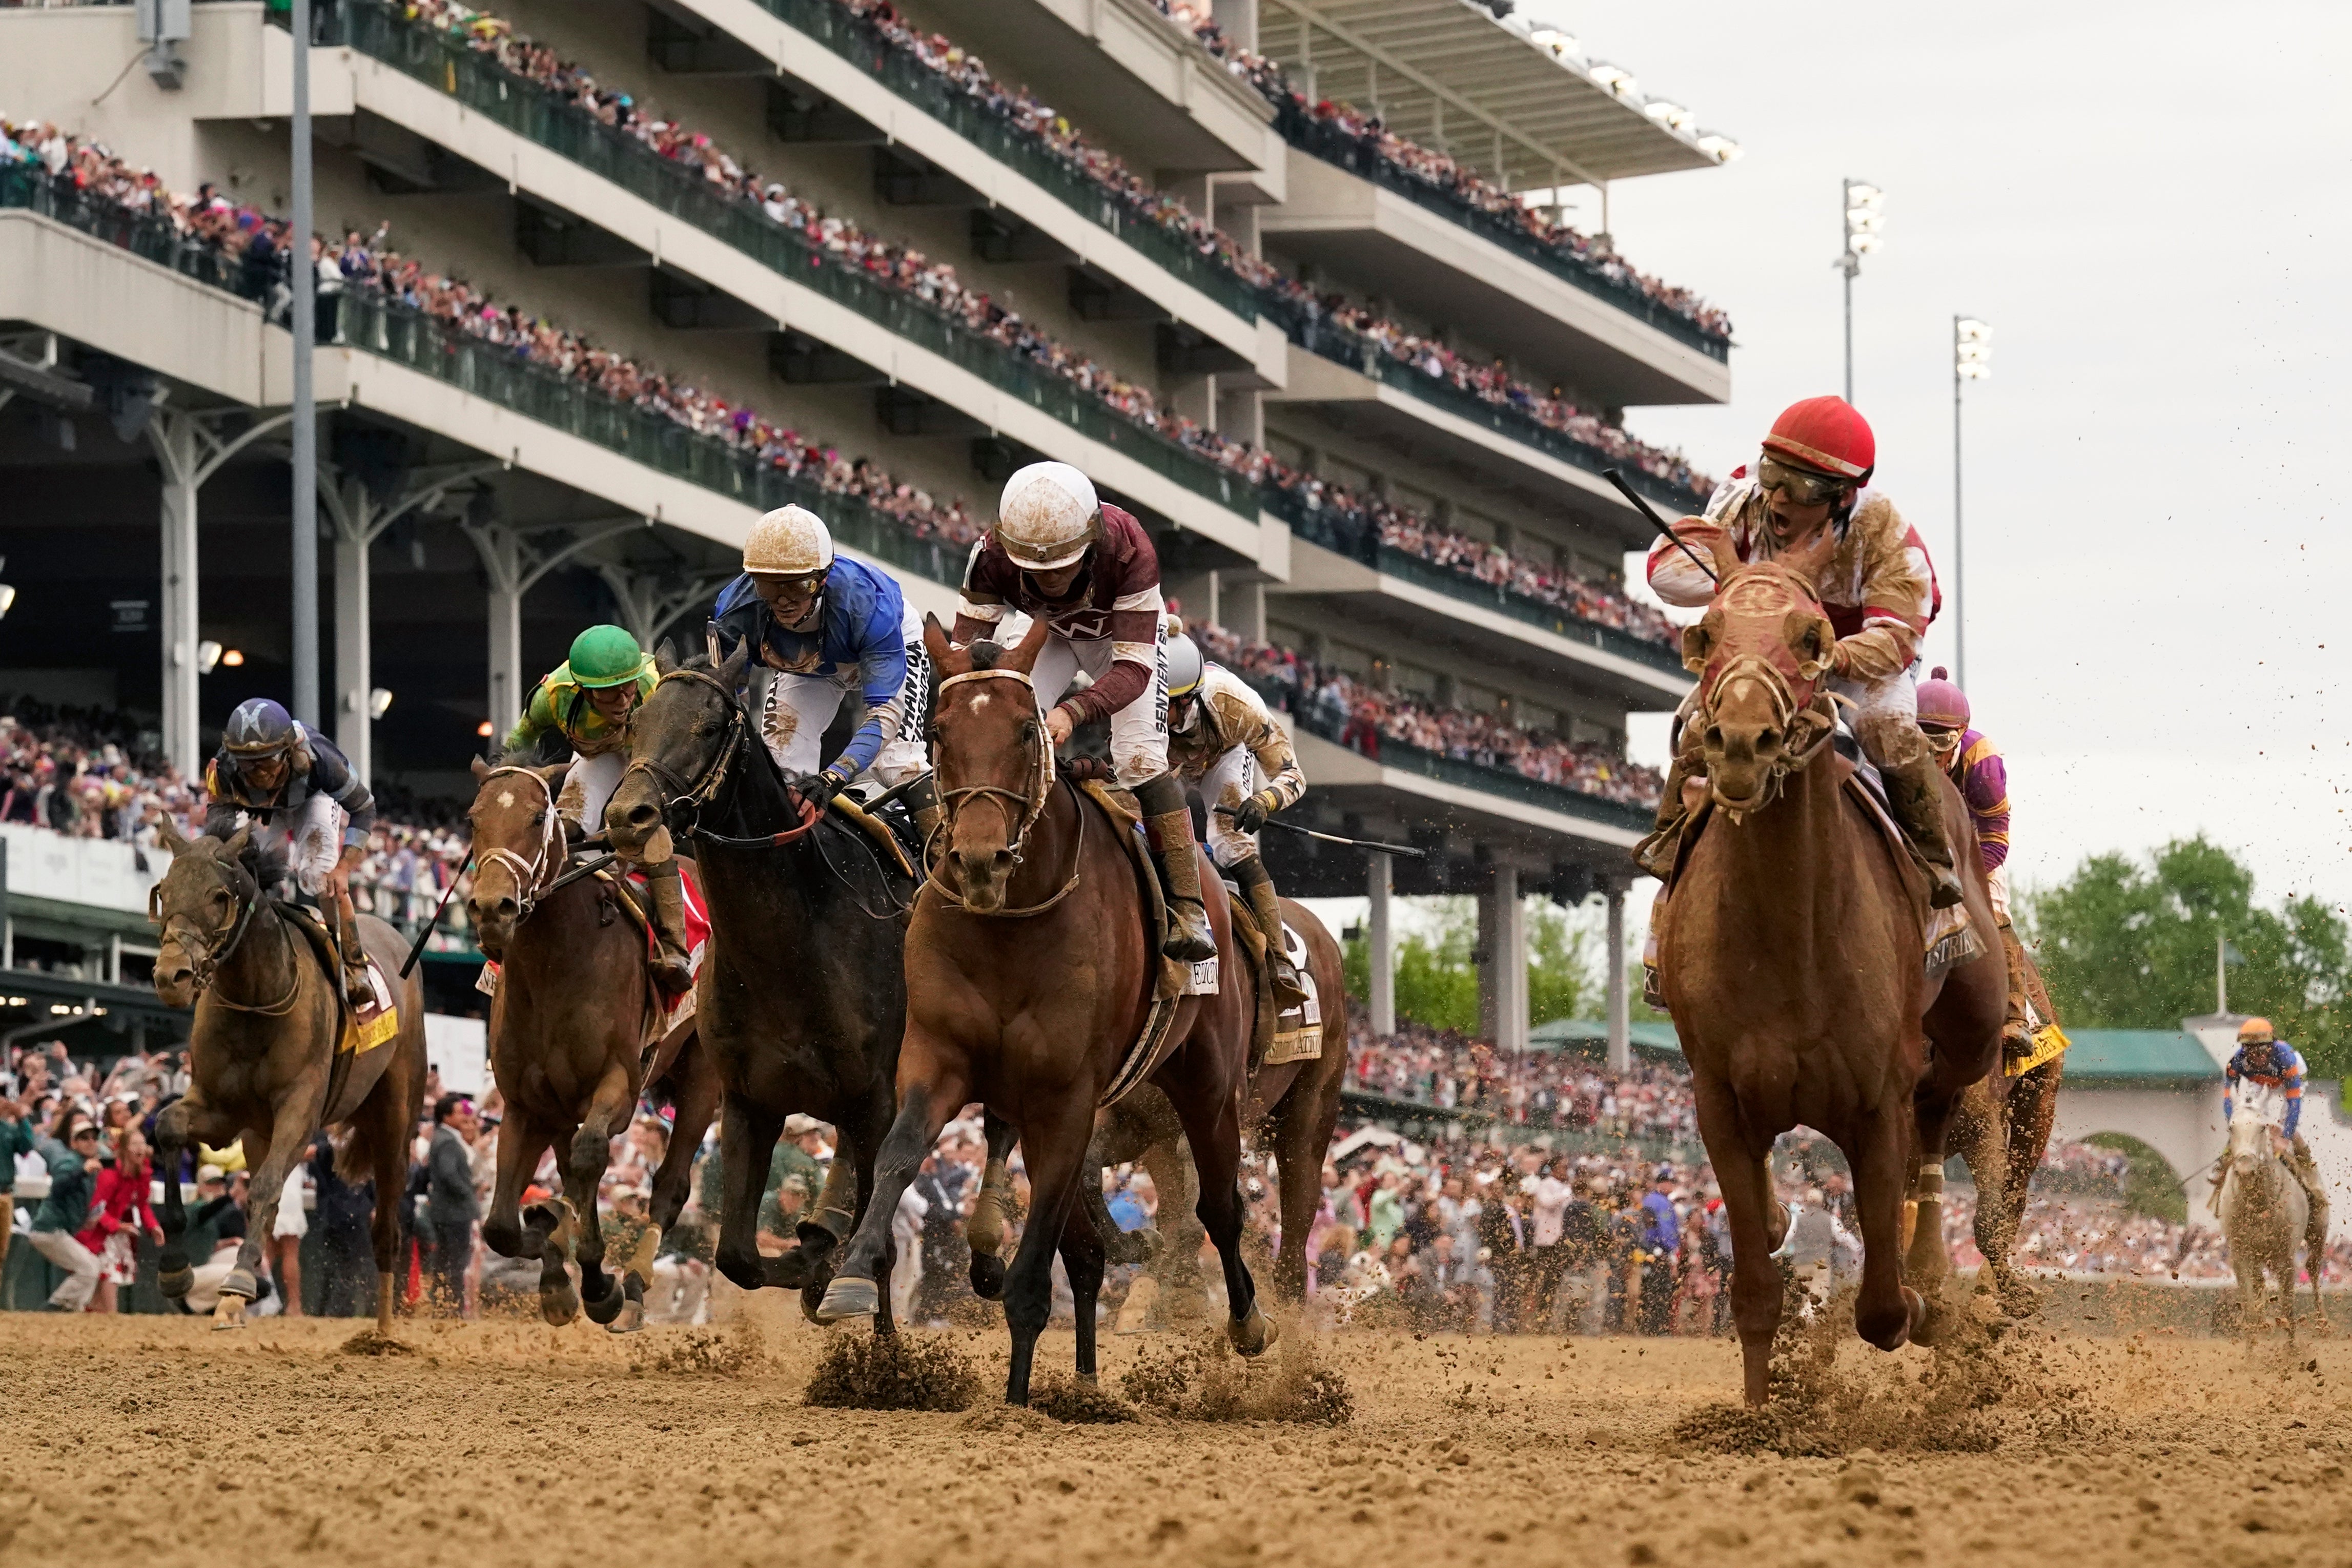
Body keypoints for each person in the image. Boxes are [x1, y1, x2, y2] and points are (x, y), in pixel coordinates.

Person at [1640, 396, 1961, 910]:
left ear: (1841, 496)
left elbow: (1896, 640)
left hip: (1858, 660)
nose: (1779, 499)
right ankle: (1670, 837)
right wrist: (1728, 576)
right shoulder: (1743, 496)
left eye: (1803, 487)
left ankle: (1933, 858)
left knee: (1888, 730)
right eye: (1772, 474)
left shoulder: (1889, 537)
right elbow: (1667, 579)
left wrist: (1824, 659)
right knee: (1707, 723)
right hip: (1765, 658)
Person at [950, 462, 1215, 960]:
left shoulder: (1130, 547)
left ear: (1091, 543)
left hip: (1118, 639)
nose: (1049, 580)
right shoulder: (986, 555)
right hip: (1043, 633)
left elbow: (1134, 673)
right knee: (998, 725)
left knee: (1139, 757)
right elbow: (964, 649)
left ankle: (1188, 907)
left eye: (1061, 567)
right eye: (1036, 568)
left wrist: (1072, 712)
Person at [708, 504, 937, 839]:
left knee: (897, 763)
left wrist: (833, 778)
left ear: (822, 578)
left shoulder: (868, 605)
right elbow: (727, 703)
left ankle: (943, 852)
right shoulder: (734, 612)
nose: (784, 601)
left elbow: (884, 717)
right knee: (781, 764)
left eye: (799, 586)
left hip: (886, 644)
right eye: (770, 588)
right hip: (810, 667)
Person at [504, 624, 690, 992]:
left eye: (627, 688)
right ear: (584, 690)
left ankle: (674, 948)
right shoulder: (552, 697)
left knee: (648, 831)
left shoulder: (657, 685)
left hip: (654, 759)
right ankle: (515, 922)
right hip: (600, 755)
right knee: (565, 826)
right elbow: (518, 741)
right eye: (609, 694)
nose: (623, 701)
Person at [1159, 625, 1310, 1004]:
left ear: (1190, 698)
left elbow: (1293, 776)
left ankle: (1279, 960)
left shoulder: (1236, 704)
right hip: (1163, 756)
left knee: (1227, 840)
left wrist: (1264, 801)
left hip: (1223, 754)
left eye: (1167, 705)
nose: (1157, 712)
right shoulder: (1144, 703)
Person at [201, 696, 377, 1000]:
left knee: (317, 876)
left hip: (313, 797)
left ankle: (354, 965)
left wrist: (344, 869)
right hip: (262, 808)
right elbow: (218, 819)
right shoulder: (225, 767)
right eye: (248, 763)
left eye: (266, 761)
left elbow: (364, 808)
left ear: (288, 751)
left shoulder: (322, 759)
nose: (257, 773)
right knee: (239, 870)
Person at [1914, 666, 2033, 1061]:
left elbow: (1996, 828)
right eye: (1920, 737)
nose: (1930, 752)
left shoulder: (1982, 764)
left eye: (1941, 741)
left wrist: (1968, 878)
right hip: (1914, 843)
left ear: (1961, 735)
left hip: (1975, 849)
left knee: (1995, 911)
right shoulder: (1888, 750)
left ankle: (2015, 1015)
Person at [2215, 1018, 2329, 1252]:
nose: (2256, 1055)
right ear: (2244, 1049)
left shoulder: (2287, 1059)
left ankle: (2312, 1183)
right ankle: (2222, 1167)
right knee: (2250, 1122)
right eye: (2250, 1050)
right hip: (2260, 1083)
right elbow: (2229, 1102)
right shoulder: (2235, 1063)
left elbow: (2293, 1105)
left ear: (2271, 1046)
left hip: (2291, 1079)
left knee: (2284, 1127)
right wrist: (2235, 1129)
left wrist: (2285, 1136)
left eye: (2262, 1049)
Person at [78, 1126, 161, 1313]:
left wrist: (153, 1226)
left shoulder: (142, 1175)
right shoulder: (109, 1176)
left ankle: (95, 1314)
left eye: (142, 1144)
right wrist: (117, 1226)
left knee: (108, 1280)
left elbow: (143, 1204)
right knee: (110, 1273)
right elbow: (96, 1209)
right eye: (135, 1144)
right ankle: (111, 1315)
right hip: (100, 1234)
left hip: (116, 1233)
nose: (140, 1149)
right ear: (123, 1149)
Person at [25, 1114, 102, 1311]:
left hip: (55, 1229)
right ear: (74, 1143)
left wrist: (84, 1219)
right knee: (89, 1268)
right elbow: (59, 1188)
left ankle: (71, 1309)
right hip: (49, 1229)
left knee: (91, 1266)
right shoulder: (69, 1162)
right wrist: (83, 1172)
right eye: (84, 1138)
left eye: (94, 1138)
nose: (91, 1142)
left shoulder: (85, 1165)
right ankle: (55, 1307)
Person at [425, 1094, 481, 1315]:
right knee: (455, 1263)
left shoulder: (441, 1137)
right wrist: (468, 1194)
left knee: (445, 1261)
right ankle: (453, 1306)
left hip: (445, 1211)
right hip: (454, 1212)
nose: (463, 1115)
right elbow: (450, 1175)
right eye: (459, 1112)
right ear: (447, 1116)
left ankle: (443, 1304)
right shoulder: (447, 1140)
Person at [0, 1092, 31, 1280]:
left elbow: (26, 1147)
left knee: (2, 1251)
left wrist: (22, 1118)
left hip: (5, 1192)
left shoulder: (7, 1129)